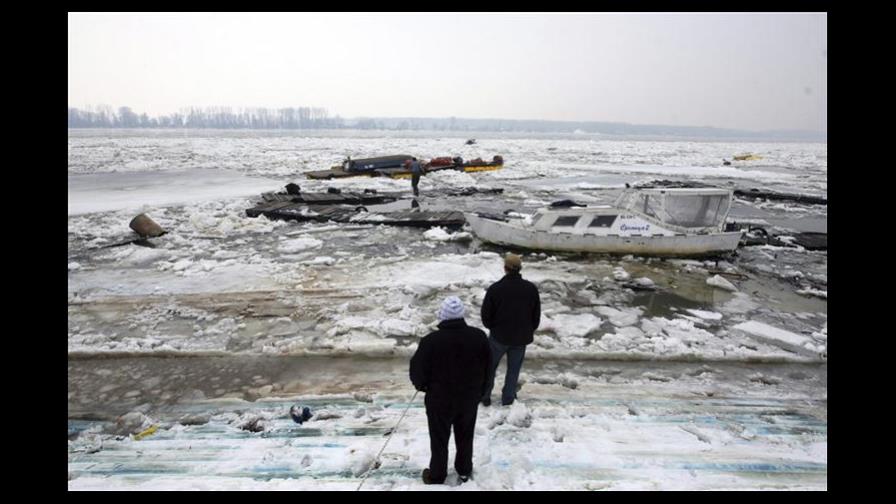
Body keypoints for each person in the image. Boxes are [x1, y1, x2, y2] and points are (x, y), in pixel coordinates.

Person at [410, 296, 491, 485]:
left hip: (439, 399)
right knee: (465, 435)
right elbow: (489, 367)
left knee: (439, 438)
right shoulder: (478, 337)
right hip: (469, 398)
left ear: (443, 316)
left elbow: (417, 369)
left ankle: (437, 475)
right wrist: (483, 391)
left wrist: (422, 385)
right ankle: (464, 470)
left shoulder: (431, 341)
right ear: (461, 315)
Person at [480, 253, 541, 407]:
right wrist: (528, 330)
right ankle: (508, 398)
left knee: (489, 367)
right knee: (513, 370)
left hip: (499, 337)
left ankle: (485, 395)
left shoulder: (496, 289)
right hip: (521, 338)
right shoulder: (530, 289)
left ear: (505, 268)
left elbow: (486, 315)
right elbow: (536, 315)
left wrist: (492, 327)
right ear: (519, 269)